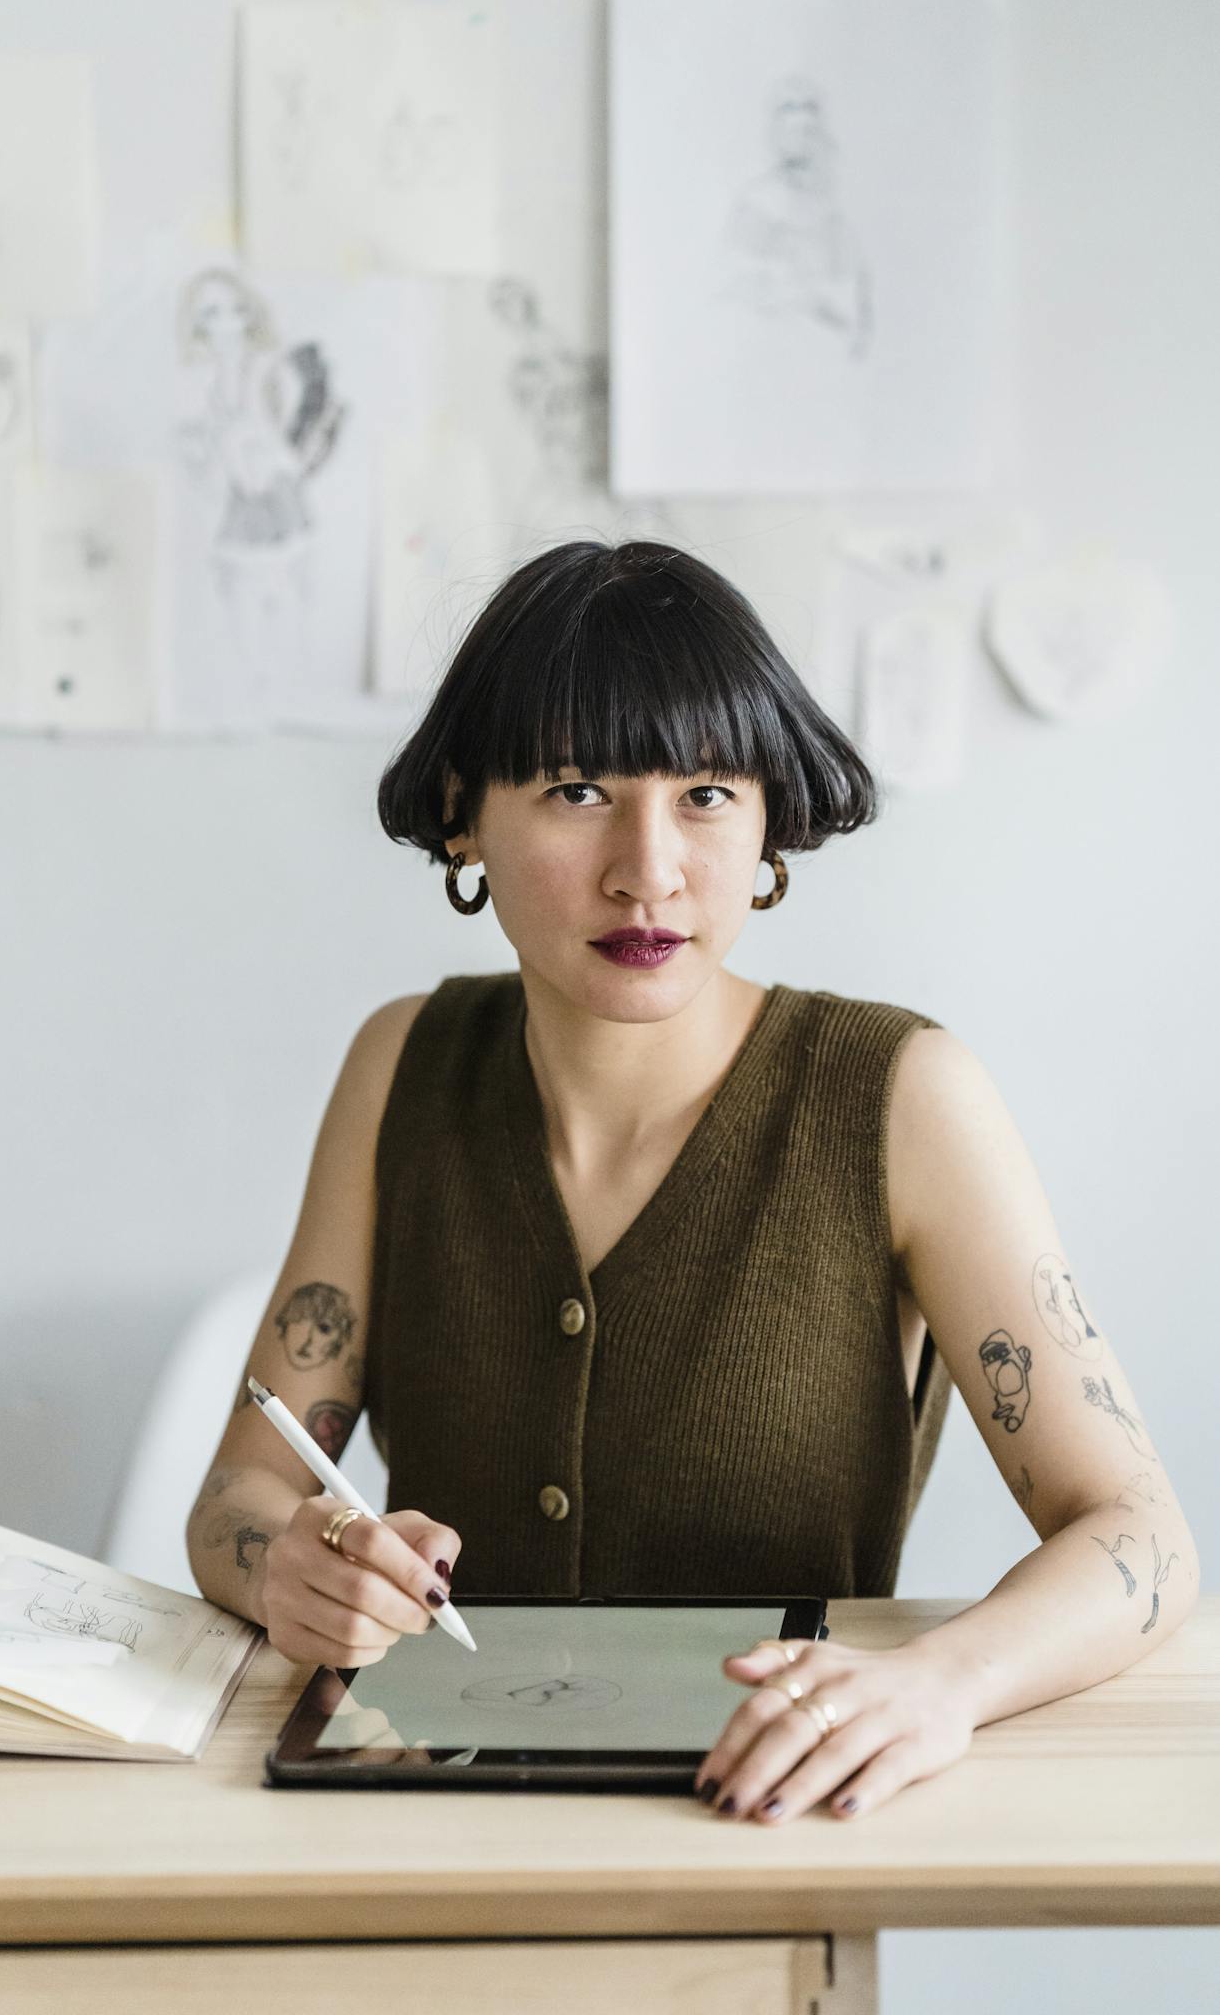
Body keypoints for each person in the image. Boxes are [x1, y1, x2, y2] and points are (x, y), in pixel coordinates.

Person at [187, 538, 1199, 1825]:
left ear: (771, 813)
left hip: (763, 1826)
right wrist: (297, 1562)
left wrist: (936, 1683)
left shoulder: (902, 1095)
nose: (648, 868)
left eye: (708, 792)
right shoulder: (402, 1064)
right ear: (463, 811)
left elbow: (1143, 1534)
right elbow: (240, 1489)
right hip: (417, 1818)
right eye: (574, 789)